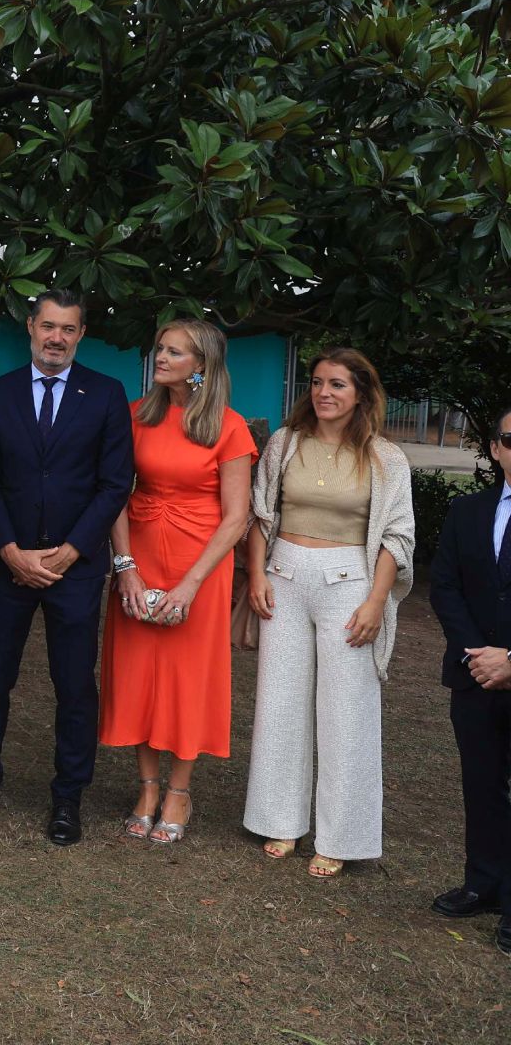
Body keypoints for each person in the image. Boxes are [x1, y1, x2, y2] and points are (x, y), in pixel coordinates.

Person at [0, 291, 134, 846]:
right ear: (31, 328)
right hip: (7, 564)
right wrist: (9, 548)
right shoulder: (0, 393)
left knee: (74, 685)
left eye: (69, 329)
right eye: (48, 326)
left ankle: (68, 797)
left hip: (74, 568)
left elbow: (114, 484)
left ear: (81, 335)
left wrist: (74, 549)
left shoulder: (105, 395)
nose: (57, 338)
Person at [242, 349, 414, 877]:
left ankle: (341, 834)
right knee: (281, 702)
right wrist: (255, 577)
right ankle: (280, 819)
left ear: (361, 392)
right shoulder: (285, 443)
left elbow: (397, 536)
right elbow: (260, 514)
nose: (325, 393)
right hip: (285, 579)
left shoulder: (386, 458)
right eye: (317, 382)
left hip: (350, 584)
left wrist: (376, 602)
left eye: (338, 384)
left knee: (348, 712)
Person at [100, 318, 256, 844]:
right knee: (139, 674)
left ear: (202, 366)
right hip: (138, 555)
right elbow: (115, 494)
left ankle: (180, 790)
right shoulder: (133, 418)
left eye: (175, 352)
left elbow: (237, 517)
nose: (161, 358)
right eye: (160, 348)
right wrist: (126, 568)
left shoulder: (229, 427)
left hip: (201, 566)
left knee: (188, 679)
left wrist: (191, 585)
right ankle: (146, 786)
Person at [426, 404, 511, 955]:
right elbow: (444, 586)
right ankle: (483, 881)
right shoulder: (467, 511)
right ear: (498, 449)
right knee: (481, 786)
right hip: (474, 673)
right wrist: (480, 655)